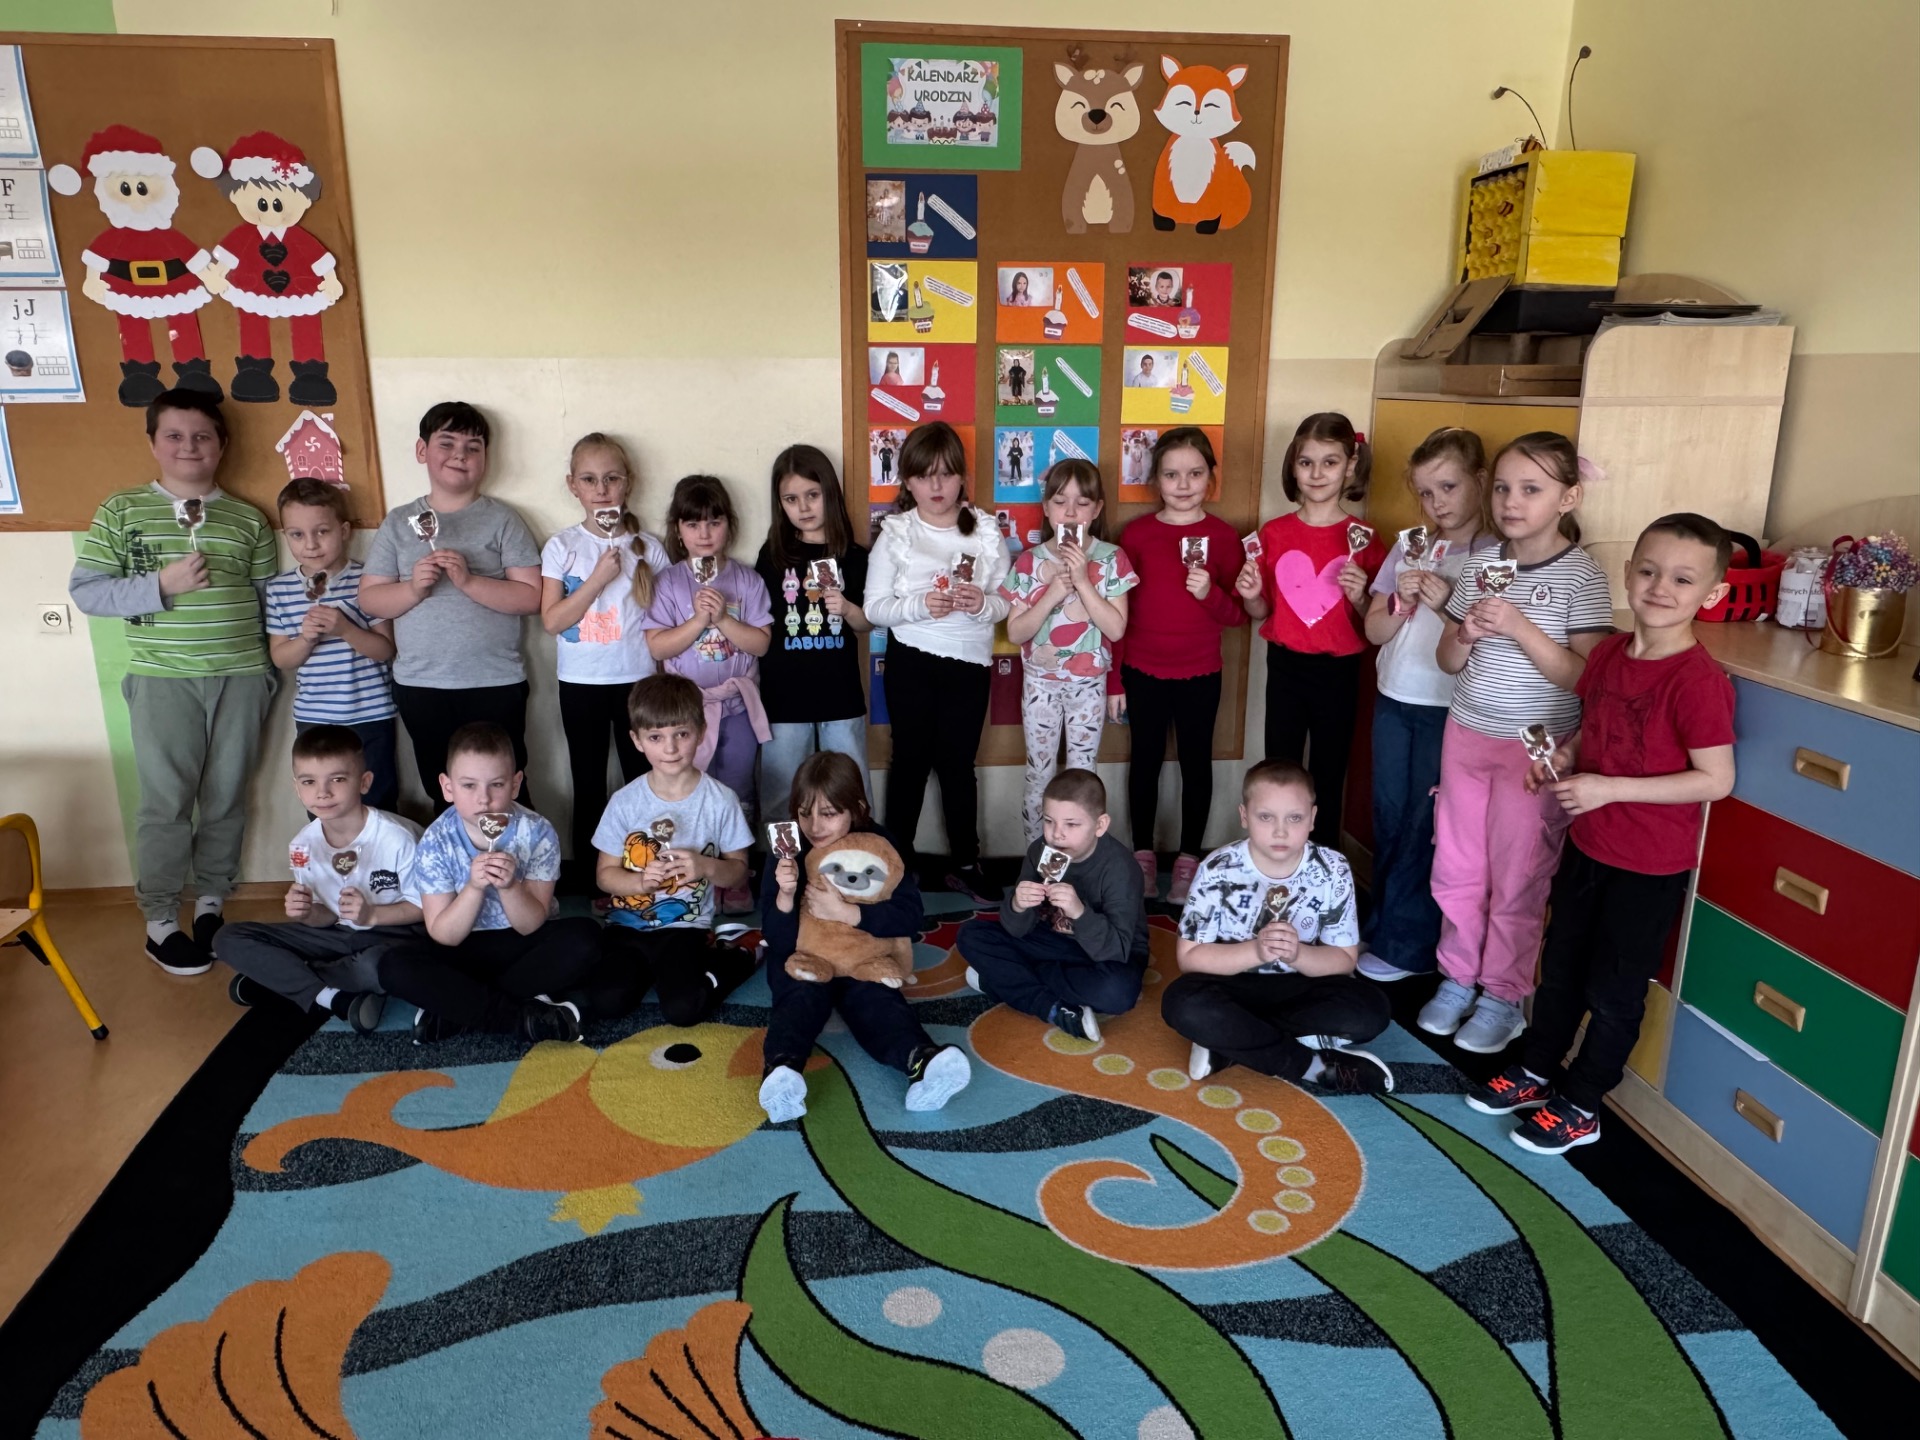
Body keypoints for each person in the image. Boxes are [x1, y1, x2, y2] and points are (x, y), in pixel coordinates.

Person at [1471, 515, 1736, 1154]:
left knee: (1613, 991)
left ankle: (1583, 1103)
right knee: (1560, 967)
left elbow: (1716, 779)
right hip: (1588, 847)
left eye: (1682, 579)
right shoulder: (1611, 654)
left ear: (1713, 594)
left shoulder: (1697, 682)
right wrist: (1564, 758)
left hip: (1648, 867)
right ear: (1628, 573)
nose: (1660, 588)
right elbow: (1596, 726)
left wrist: (1609, 789)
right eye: (1648, 571)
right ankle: (1538, 1068)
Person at [69, 389, 277, 974]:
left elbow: (267, 599)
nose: (189, 446)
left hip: (241, 675)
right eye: (175, 436)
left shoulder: (248, 519)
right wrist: (161, 585)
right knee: (166, 803)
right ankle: (160, 919)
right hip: (163, 678)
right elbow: (87, 592)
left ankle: (211, 902)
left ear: (222, 445)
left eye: (202, 436)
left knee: (227, 796)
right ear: (154, 443)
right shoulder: (123, 510)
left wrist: (269, 668)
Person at [1419, 432, 1614, 1053]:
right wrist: (1466, 633)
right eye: (1503, 487)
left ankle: (1503, 995)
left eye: (1531, 489)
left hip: (1536, 749)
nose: (1511, 501)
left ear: (1568, 498)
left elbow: (1586, 679)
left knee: (1519, 871)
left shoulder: (1581, 576)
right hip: (1466, 734)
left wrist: (1519, 626)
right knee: (1457, 865)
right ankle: (1457, 977)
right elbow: (1448, 660)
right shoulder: (1483, 563)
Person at [757, 752, 970, 1122]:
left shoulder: (878, 843)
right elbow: (777, 941)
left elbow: (910, 916)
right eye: (804, 813)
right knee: (799, 998)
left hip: (863, 959)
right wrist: (785, 896)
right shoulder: (788, 851)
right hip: (807, 957)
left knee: (877, 1002)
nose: (814, 825)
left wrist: (850, 914)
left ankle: (923, 1061)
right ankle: (782, 1071)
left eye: (828, 813)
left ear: (856, 808)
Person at [1355, 429, 1496, 983]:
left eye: (1448, 487)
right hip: (1395, 698)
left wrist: (1447, 603)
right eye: (1425, 492)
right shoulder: (1412, 546)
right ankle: (1385, 925)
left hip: (1450, 708)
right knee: (1390, 816)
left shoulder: (1495, 556)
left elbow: (1491, 643)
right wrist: (1401, 599)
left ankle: (1408, 946)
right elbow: (1374, 630)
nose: (1437, 502)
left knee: (1425, 824)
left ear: (1480, 481)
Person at [1161, 760, 1395, 1093]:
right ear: (1244, 816)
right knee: (1180, 1003)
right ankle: (1312, 1067)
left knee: (1372, 1010)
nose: (1280, 831)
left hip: (1301, 984)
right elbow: (1189, 958)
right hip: (1231, 982)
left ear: (1312, 818)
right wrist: (1256, 951)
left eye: (1294, 818)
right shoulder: (1217, 869)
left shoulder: (1333, 869)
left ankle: (1229, 1043)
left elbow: (1344, 960)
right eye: (1266, 817)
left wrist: (1298, 955)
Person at [358, 401, 543, 808]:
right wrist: (413, 589)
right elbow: (370, 598)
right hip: (422, 685)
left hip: (494, 681)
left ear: (485, 458)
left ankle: (518, 852)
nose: (460, 454)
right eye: (447, 443)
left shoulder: (502, 520)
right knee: (442, 789)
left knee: (505, 790)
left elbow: (532, 597)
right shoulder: (399, 522)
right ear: (422, 450)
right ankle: (454, 853)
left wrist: (469, 581)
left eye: (473, 447)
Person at [379, 722, 600, 1043]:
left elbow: (530, 925)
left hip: (522, 945)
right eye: (468, 785)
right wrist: (473, 887)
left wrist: (510, 887)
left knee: (587, 938)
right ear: (447, 787)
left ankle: (458, 1008)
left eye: (496, 785)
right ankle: (519, 1018)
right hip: (462, 948)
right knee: (393, 966)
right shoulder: (436, 840)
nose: (483, 799)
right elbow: (444, 935)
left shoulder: (537, 831)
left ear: (515, 784)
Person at [863, 421, 1011, 901]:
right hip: (912, 659)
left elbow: (1006, 602)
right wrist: (920, 606)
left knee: (957, 766)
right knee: (909, 761)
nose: (936, 486)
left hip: (968, 663)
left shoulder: (984, 529)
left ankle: (966, 862)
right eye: (924, 475)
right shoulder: (897, 532)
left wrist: (981, 604)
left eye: (946, 474)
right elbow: (874, 608)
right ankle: (896, 862)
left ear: (962, 476)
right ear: (907, 481)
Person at [574, 673, 758, 1024]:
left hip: (687, 928)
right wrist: (640, 882)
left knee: (683, 1010)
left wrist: (705, 866)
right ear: (637, 740)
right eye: (656, 737)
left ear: (701, 733)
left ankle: (740, 954)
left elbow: (737, 873)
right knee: (607, 1003)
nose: (670, 748)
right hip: (627, 926)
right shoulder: (624, 801)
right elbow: (604, 876)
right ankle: (654, 971)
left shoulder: (721, 800)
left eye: (681, 734)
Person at [214, 725, 424, 1031]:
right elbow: (327, 917)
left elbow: (427, 909)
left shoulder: (398, 838)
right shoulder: (303, 845)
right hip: (338, 935)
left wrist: (372, 915)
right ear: (297, 788)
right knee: (227, 938)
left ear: (364, 782)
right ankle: (329, 996)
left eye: (337, 779)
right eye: (309, 782)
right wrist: (307, 913)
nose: (322, 793)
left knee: (378, 966)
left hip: (395, 935)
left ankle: (282, 980)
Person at [1238, 412, 1385, 847]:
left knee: (1329, 771)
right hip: (1285, 666)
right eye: (1306, 463)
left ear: (1350, 466)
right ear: (1293, 466)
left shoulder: (1365, 538)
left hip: (1339, 671)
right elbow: (1262, 611)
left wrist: (1360, 596)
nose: (1317, 473)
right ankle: (1275, 856)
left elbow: (1377, 624)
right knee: (1279, 770)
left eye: (1330, 462)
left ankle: (1324, 863)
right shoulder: (1274, 532)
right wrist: (1250, 595)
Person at [1112, 427, 1246, 902]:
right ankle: (1142, 858)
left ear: (1211, 477)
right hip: (1142, 671)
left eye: (1195, 473)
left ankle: (1189, 860)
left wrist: (1209, 594)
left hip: (1201, 672)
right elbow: (1117, 615)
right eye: (1171, 474)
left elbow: (1238, 615)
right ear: (1156, 480)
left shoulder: (1224, 537)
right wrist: (1115, 681)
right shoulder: (1137, 535)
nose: (1183, 484)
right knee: (1144, 762)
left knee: (1196, 763)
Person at [539, 432, 670, 893]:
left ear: (627, 483)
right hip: (581, 682)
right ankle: (595, 883)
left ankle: (646, 875)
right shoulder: (561, 546)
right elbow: (552, 621)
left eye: (611, 479)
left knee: (643, 781)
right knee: (589, 782)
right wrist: (596, 579)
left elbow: (664, 619)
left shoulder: (649, 547)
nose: (601, 489)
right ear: (572, 485)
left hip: (638, 682)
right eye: (590, 479)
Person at [642, 473, 773, 910]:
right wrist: (698, 620)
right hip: (685, 715)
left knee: (736, 789)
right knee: (687, 787)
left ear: (728, 526)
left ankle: (735, 873)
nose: (704, 533)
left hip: (736, 707)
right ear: (678, 530)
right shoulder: (668, 583)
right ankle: (687, 872)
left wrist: (723, 619)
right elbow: (658, 647)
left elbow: (761, 644)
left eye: (714, 522)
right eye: (693, 524)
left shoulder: (747, 580)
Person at [957, 769, 1147, 1043]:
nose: (1057, 835)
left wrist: (1079, 912)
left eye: (1072, 824)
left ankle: (1003, 980)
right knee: (970, 935)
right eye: (1048, 821)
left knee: (1118, 992)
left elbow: (1117, 950)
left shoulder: (1120, 868)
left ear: (1100, 825)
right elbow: (1016, 930)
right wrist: (1018, 905)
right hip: (1051, 942)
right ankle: (1051, 1007)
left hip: (1105, 955)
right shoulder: (1041, 852)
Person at [1000, 459, 1137, 842]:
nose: (1071, 512)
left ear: (1097, 509)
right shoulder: (1029, 561)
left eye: (1083, 502)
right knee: (1039, 774)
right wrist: (1054, 593)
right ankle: (1037, 857)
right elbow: (1015, 631)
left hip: (1088, 684)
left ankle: (1080, 859)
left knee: (1083, 776)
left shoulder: (1111, 558)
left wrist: (1082, 580)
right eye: (1060, 502)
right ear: (1046, 508)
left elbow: (1116, 628)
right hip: (1040, 684)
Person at [266, 477, 399, 811]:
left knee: (377, 801)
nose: (310, 544)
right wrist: (306, 639)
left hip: (370, 713)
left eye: (322, 531)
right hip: (315, 716)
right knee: (323, 803)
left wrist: (345, 629)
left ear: (344, 531)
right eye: (297, 534)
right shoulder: (280, 590)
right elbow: (281, 658)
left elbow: (386, 650)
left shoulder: (369, 580)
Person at [755, 444, 873, 822]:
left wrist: (848, 608)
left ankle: (857, 854)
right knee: (781, 793)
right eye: (791, 499)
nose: (803, 507)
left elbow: (867, 623)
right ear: (780, 504)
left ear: (830, 494)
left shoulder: (853, 556)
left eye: (812, 495)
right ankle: (781, 860)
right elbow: (761, 622)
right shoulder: (773, 556)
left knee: (851, 791)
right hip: (784, 695)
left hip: (840, 693)